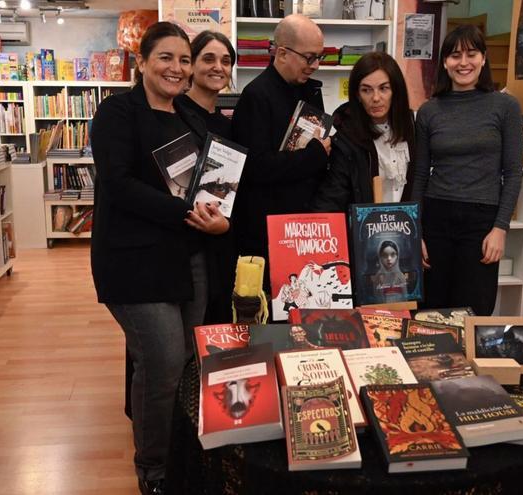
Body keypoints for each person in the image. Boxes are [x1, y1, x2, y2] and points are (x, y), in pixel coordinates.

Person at [90, 22, 230, 495]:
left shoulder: (189, 118)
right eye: (166, 58)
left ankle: (179, 454)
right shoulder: (118, 113)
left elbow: (209, 183)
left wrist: (218, 216)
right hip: (132, 263)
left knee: (184, 360)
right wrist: (186, 211)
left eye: (184, 60)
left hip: (186, 256)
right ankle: (153, 472)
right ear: (143, 62)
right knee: (162, 361)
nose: (177, 68)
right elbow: (118, 186)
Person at [412, 24, 523, 316]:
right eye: (454, 55)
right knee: (432, 308)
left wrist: (500, 228)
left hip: (482, 222)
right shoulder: (429, 111)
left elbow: (512, 172)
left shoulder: (505, 107)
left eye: (471, 54)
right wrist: (416, 230)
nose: (463, 63)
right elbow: (420, 174)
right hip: (436, 218)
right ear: (445, 63)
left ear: (483, 58)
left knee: (474, 308)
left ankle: (469, 364)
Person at [231, 14, 331, 269]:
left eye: (320, 56)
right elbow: (255, 167)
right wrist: (315, 156)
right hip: (266, 230)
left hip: (306, 225)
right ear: (283, 53)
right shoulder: (256, 96)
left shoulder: (310, 90)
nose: (316, 65)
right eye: (309, 57)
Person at [176, 30, 238, 324]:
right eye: (209, 58)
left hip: (219, 237)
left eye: (226, 61)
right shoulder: (176, 113)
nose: (219, 67)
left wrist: (225, 224)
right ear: (191, 64)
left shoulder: (227, 123)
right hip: (184, 240)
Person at [313, 51, 415, 212]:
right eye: (366, 90)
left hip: (408, 231)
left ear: (395, 91)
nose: (375, 98)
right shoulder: (345, 139)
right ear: (357, 95)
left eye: (384, 88)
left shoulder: (414, 128)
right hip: (363, 233)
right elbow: (333, 195)